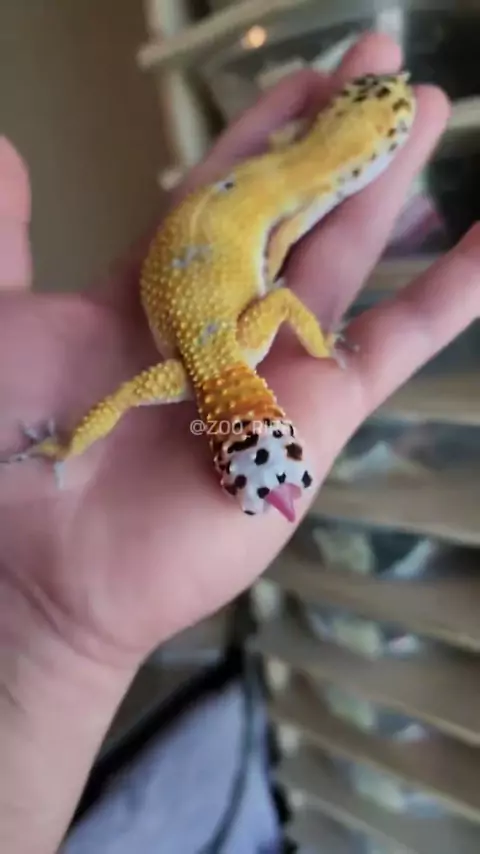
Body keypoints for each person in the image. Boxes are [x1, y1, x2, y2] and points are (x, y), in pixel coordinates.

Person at [0, 31, 478, 854]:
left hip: (237, 215)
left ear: (233, 437)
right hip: (234, 221)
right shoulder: (194, 368)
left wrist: (66, 448)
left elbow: (269, 311)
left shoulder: (194, 366)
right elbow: (276, 305)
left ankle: (361, 121)